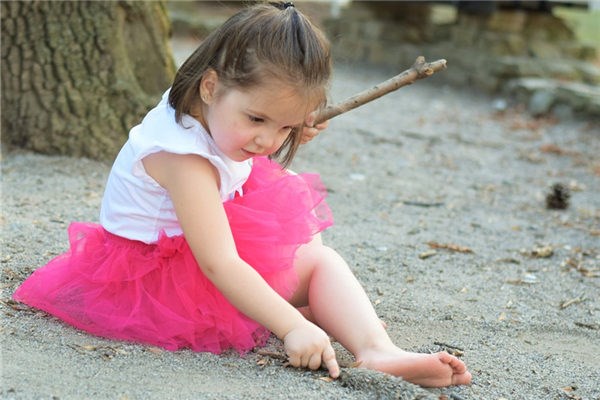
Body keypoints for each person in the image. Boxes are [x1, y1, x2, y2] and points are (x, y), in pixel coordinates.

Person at [13, 1, 471, 388]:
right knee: (319, 262)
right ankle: (376, 349)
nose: (268, 141)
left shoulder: (197, 104)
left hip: (175, 254)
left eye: (284, 126)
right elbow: (220, 263)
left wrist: (282, 121)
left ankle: (331, 314)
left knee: (293, 215)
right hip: (163, 285)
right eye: (256, 120)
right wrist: (292, 326)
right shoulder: (183, 160)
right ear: (211, 86)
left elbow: (255, 126)